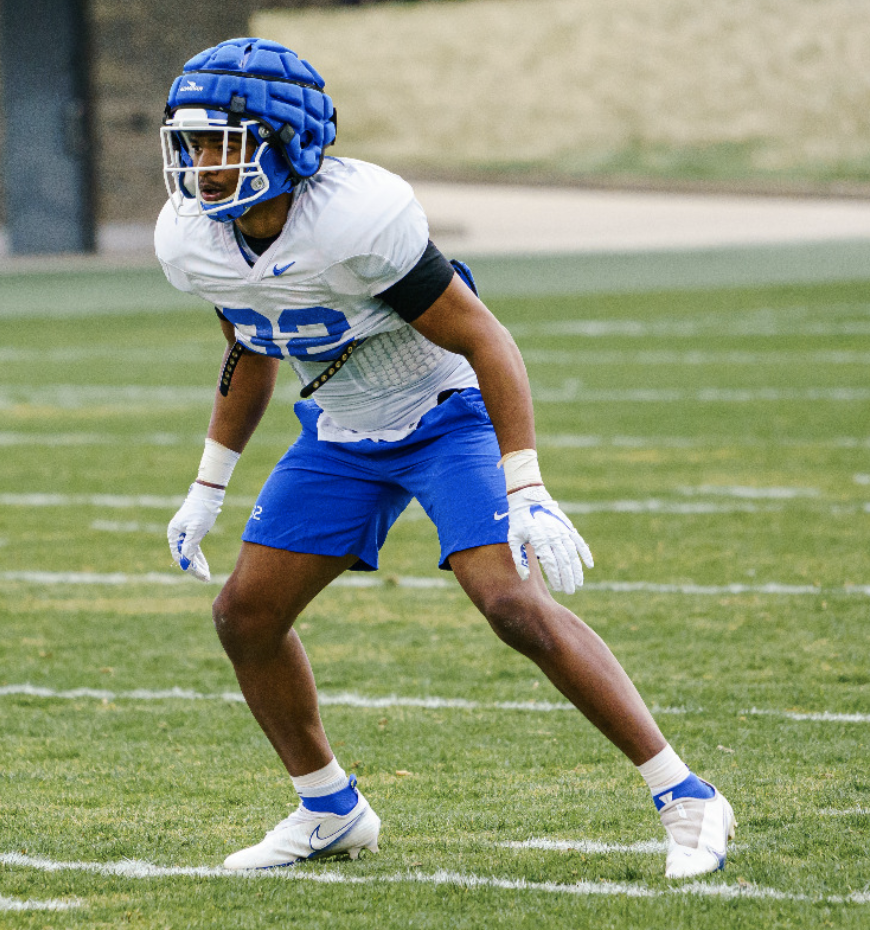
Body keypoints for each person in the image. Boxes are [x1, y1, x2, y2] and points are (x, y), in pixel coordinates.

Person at [156, 37, 735, 878]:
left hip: (444, 411)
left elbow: (482, 336)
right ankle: (330, 810)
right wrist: (207, 486)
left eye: (223, 142)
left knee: (511, 603)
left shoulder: (354, 217)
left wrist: (526, 481)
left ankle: (686, 795)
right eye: (193, 144)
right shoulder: (195, 238)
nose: (204, 165)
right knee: (244, 616)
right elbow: (253, 348)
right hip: (341, 431)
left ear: (286, 139)